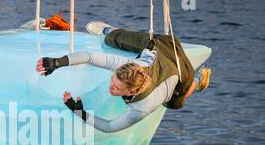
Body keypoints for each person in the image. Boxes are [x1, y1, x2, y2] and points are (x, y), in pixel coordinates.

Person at [35, 21, 212, 133]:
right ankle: (107, 29)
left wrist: (79, 112)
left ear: (133, 90)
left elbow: (110, 127)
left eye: (117, 87)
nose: (111, 86)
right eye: (113, 81)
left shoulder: (141, 108)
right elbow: (89, 56)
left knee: (175, 101)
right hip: (161, 47)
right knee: (118, 38)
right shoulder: (125, 67)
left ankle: (199, 79)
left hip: (179, 69)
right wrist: (57, 62)